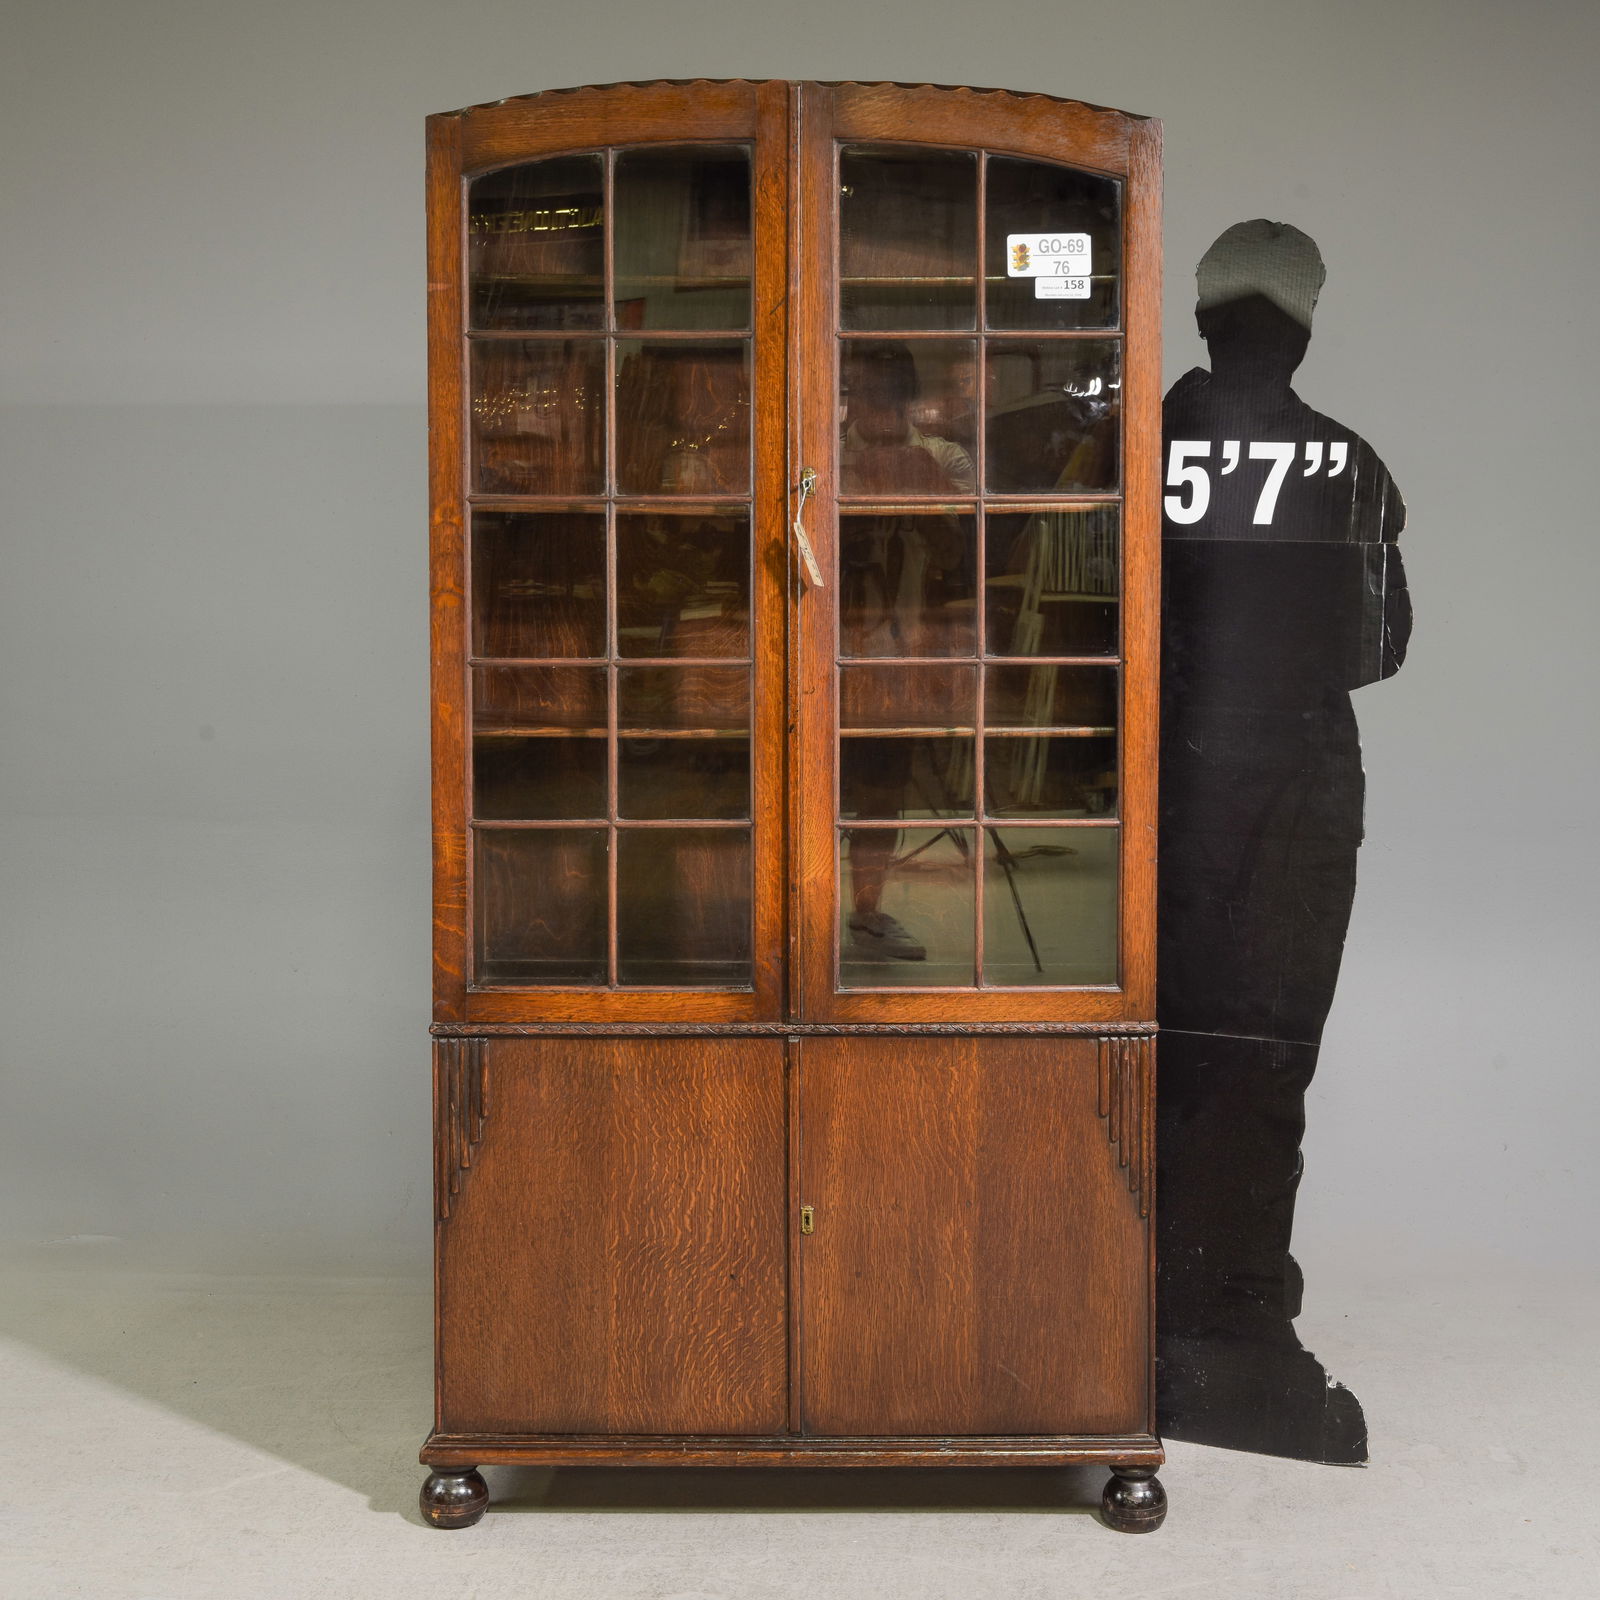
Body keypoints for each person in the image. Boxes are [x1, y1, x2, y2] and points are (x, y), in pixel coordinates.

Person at [1157, 221, 1412, 1463]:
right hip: (1296, 801)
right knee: (1263, 1056)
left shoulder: (1128, 451)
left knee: (1143, 1043)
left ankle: (1133, 1299)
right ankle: (1231, 1316)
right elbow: (1378, 650)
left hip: (1151, 791)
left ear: (1201, 317)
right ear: (1305, 325)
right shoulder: (1353, 466)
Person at [838, 343, 974, 963]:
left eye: (874, 391)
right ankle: (797, 911)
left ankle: (866, 909)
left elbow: (968, 557)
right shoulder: (827, 458)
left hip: (901, 652)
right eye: (854, 390)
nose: (863, 403)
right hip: (827, 647)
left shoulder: (944, 459)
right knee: (810, 780)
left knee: (880, 784)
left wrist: (923, 490)